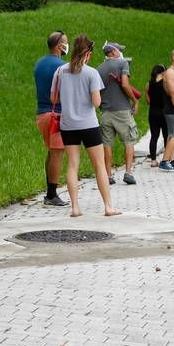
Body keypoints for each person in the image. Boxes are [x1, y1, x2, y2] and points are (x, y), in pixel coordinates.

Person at [50, 34, 121, 217]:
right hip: (89, 124)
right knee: (99, 165)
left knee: (72, 165)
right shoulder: (91, 73)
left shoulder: (61, 71)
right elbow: (96, 102)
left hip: (68, 125)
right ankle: (108, 206)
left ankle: (75, 207)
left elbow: (53, 98)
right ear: (88, 54)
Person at [33, 30, 69, 206]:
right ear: (59, 45)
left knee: (50, 152)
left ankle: (50, 190)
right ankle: (52, 194)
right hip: (56, 114)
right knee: (57, 153)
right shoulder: (62, 67)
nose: (67, 46)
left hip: (42, 113)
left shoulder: (39, 63)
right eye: (65, 42)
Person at [97, 41, 139, 185]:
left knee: (107, 144)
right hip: (122, 110)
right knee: (129, 140)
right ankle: (128, 172)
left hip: (105, 111)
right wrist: (135, 100)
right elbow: (125, 84)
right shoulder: (122, 64)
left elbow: (98, 91)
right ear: (114, 52)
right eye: (119, 51)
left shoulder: (99, 68)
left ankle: (108, 175)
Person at [144, 64, 168, 167]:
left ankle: (153, 160)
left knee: (154, 136)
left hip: (153, 112)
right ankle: (166, 158)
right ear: (162, 72)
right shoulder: (165, 83)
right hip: (164, 112)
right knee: (166, 136)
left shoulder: (148, 84)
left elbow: (148, 101)